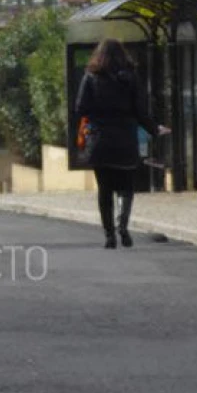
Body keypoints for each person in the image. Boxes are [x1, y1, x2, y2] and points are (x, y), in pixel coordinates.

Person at [74, 38, 170, 249]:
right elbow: (140, 111)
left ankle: (109, 235)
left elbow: (80, 107)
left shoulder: (90, 77)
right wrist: (155, 129)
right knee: (126, 187)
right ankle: (123, 226)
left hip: (100, 140)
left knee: (104, 190)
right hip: (125, 140)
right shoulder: (131, 79)